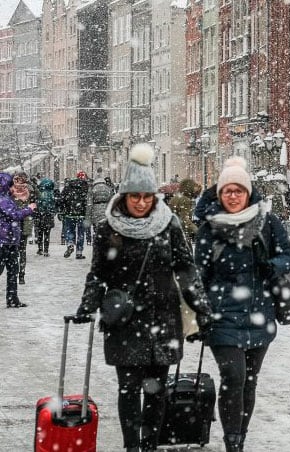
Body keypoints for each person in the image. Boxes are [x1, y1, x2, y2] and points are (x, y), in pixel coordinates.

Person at [73, 143, 212, 452]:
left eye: (147, 196)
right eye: (135, 196)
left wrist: (201, 308)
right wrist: (88, 304)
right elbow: (98, 273)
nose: (141, 202)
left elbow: (186, 269)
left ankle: (149, 445)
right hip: (125, 319)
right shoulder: (109, 228)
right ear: (124, 196)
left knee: (157, 389)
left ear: (154, 197)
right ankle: (132, 447)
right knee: (128, 388)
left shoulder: (169, 224)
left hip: (163, 317)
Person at [194, 157, 290, 452]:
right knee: (233, 377)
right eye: (228, 191)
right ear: (220, 194)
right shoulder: (209, 229)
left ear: (248, 193)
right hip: (222, 317)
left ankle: (241, 436)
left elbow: (288, 256)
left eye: (239, 190)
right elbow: (197, 275)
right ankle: (232, 442)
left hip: (259, 314)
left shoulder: (267, 223)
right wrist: (199, 312)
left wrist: (271, 265)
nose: (234, 196)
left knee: (249, 381)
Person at [0, 173, 36, 307]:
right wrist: (29, 209)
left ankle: (12, 299)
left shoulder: (6, 198)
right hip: (4, 240)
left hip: (9, 240)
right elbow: (14, 215)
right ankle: (12, 299)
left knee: (12, 271)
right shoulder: (3, 200)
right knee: (8, 269)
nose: (13, 188)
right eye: (11, 185)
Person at [10, 172, 37, 284]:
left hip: (13, 224)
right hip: (24, 222)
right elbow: (35, 201)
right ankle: (21, 275)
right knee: (22, 251)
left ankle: (14, 273)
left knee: (13, 252)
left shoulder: (10, 189)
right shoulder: (29, 189)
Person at [59, 171, 90, 259]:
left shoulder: (69, 185)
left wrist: (62, 210)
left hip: (69, 213)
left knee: (70, 230)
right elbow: (88, 200)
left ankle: (70, 244)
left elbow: (62, 198)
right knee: (81, 233)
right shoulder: (86, 187)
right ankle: (79, 252)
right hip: (81, 214)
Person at [168, 178, 200, 245]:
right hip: (181, 235)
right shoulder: (185, 200)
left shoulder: (177, 197)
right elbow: (185, 220)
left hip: (172, 232)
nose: (195, 188)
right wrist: (197, 231)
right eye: (193, 186)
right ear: (189, 187)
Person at [85, 174, 115, 241]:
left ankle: (97, 240)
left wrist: (88, 216)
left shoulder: (92, 189)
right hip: (106, 210)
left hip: (95, 211)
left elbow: (89, 204)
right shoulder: (108, 188)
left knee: (97, 228)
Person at [34, 177, 58, 257]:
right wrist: (53, 212)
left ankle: (40, 249)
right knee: (47, 234)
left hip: (40, 215)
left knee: (40, 233)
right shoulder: (52, 193)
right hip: (48, 216)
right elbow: (54, 205)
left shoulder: (39, 193)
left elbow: (36, 204)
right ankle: (46, 250)